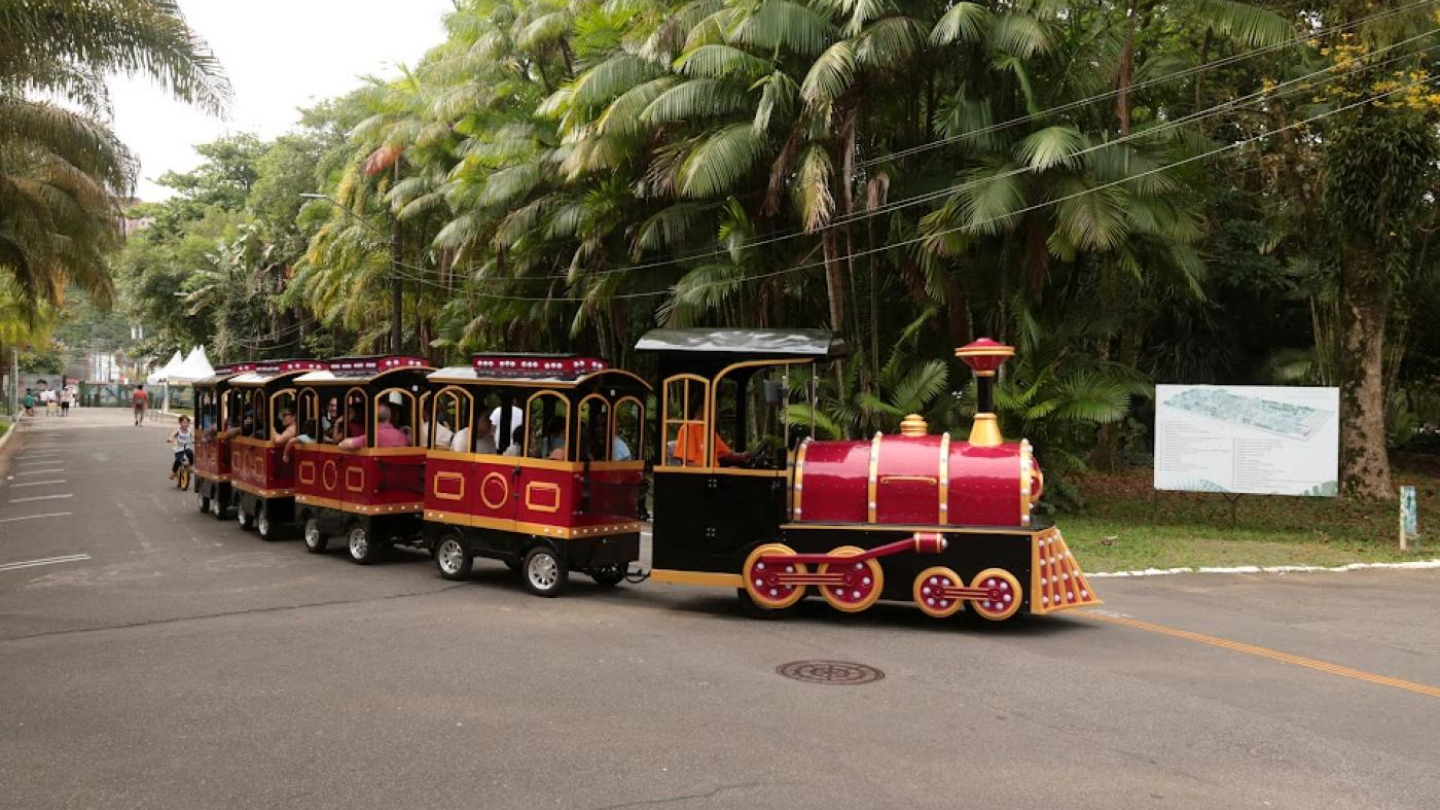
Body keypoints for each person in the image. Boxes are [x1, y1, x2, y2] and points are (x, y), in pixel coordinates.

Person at [673, 389, 753, 467]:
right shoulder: (688, 429)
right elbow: (687, 464)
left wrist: (743, 456)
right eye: (714, 407)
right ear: (702, 408)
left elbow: (729, 455)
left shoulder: (709, 431)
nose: (717, 411)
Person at [340, 403, 409, 449]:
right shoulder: (402, 436)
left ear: (372, 417)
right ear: (390, 417)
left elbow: (343, 445)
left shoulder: (374, 436)